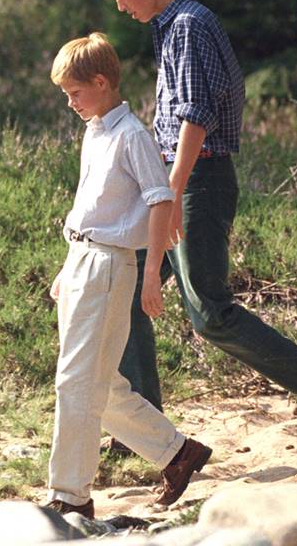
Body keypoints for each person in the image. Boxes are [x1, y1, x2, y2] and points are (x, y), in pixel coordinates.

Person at [89, 0, 297, 455]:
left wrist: (169, 195)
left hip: (196, 182)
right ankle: (144, 434)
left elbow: (197, 116)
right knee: (124, 292)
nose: (121, 7)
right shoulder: (172, 26)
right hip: (172, 181)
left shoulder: (191, 25)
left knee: (211, 314)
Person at [44, 32, 212, 520]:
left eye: (75, 92)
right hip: (81, 260)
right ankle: (178, 453)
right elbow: (89, 205)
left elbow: (161, 199)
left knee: (76, 382)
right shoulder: (95, 130)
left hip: (111, 266)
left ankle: (71, 495)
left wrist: (152, 272)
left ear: (101, 82)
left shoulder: (132, 135)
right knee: (100, 381)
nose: (70, 103)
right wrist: (66, 266)